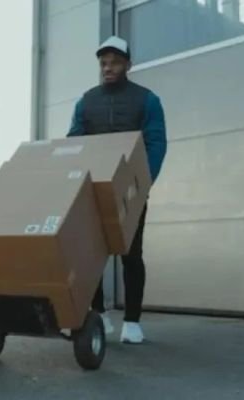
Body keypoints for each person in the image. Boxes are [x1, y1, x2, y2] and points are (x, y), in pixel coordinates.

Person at [67, 36, 167, 344]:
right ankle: (98, 314)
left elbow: (156, 143)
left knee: (131, 254)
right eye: (104, 63)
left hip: (130, 191)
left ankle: (132, 322)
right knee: (91, 254)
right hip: (92, 189)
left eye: (115, 63)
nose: (108, 68)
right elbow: (74, 140)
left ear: (128, 65)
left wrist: (143, 183)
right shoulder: (86, 101)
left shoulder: (147, 100)